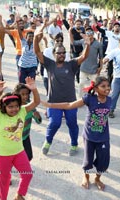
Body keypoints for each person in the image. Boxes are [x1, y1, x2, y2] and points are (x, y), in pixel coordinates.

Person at [41, 76, 111, 191]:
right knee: (88, 161)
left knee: (103, 162)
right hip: (89, 137)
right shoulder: (89, 99)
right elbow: (69, 105)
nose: (107, 89)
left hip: (104, 137)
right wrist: (50, 105)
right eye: (103, 86)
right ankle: (86, 177)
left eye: (108, 86)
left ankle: (97, 179)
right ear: (96, 88)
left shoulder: (110, 100)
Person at [34, 27, 90, 156]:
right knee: (54, 123)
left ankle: (74, 144)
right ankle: (48, 141)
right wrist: (36, 39)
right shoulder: (50, 65)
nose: (61, 55)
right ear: (54, 54)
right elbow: (37, 52)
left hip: (70, 102)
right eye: (59, 53)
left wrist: (87, 43)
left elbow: (84, 56)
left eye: (63, 52)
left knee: (72, 124)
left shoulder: (71, 64)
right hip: (54, 102)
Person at [0, 77, 40, 200]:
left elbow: (36, 102)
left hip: (19, 151)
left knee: (27, 174)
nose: (14, 109)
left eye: (16, 106)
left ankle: (19, 195)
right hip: (1, 154)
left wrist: (34, 89)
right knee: (4, 181)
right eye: (10, 107)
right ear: (4, 107)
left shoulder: (22, 111)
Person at [14, 83, 42, 161]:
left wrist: (38, 116)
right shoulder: (14, 107)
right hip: (15, 137)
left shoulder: (30, 106)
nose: (25, 96)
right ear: (16, 94)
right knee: (14, 155)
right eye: (22, 94)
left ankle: (22, 166)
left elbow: (38, 121)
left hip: (25, 136)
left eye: (26, 94)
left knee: (29, 156)